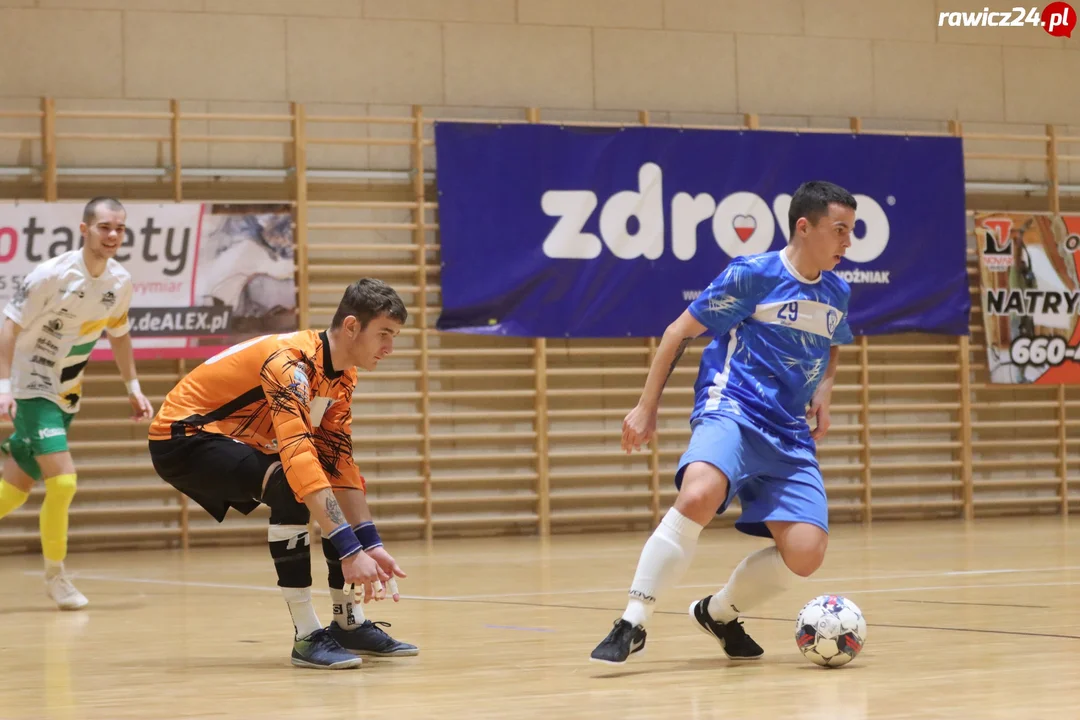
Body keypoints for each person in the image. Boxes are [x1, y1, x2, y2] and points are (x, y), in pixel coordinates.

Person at [590, 181, 857, 664]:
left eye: (852, 232)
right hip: (732, 409)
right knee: (698, 494)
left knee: (806, 553)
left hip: (788, 434)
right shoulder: (752, 275)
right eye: (840, 230)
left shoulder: (838, 290)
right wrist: (646, 406)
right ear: (804, 226)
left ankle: (718, 612)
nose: (848, 242)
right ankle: (633, 620)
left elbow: (834, 340)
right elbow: (677, 332)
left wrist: (825, 389)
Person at [148, 278, 417, 669]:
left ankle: (347, 621)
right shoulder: (290, 364)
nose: (390, 348)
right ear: (353, 327)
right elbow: (298, 457)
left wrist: (369, 544)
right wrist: (349, 548)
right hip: (183, 436)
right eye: (384, 335)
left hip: (234, 438)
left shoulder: (343, 375)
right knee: (294, 484)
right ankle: (307, 636)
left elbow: (339, 461)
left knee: (323, 483)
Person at [0, 196, 153, 610]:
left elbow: (119, 335)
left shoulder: (119, 282)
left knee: (13, 490)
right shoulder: (51, 275)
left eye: (120, 228)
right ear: (84, 230)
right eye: (105, 227)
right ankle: (57, 577)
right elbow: (9, 327)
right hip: (32, 385)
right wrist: (4, 387)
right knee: (63, 481)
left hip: (67, 393)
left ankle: (56, 575)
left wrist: (133, 387)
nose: (113, 235)